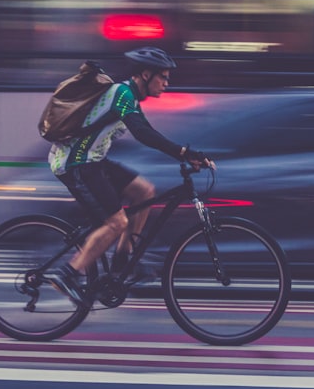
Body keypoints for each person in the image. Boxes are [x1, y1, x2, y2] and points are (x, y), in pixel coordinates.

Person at [46, 46, 212, 303]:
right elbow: (142, 133)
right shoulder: (122, 94)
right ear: (146, 74)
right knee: (117, 222)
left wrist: (183, 153)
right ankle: (67, 274)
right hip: (76, 163)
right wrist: (183, 152)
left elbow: (145, 129)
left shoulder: (129, 97)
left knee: (143, 191)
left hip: (94, 161)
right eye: (163, 77)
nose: (166, 83)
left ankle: (122, 261)